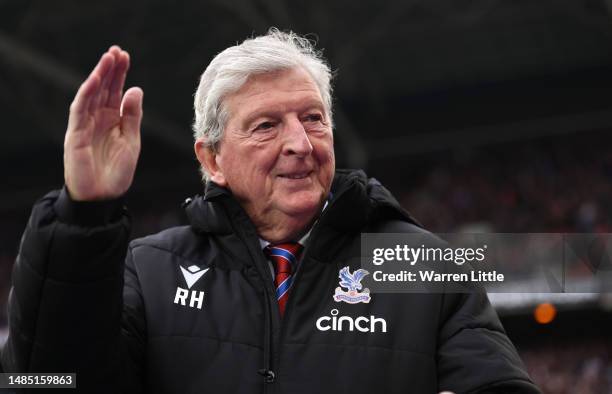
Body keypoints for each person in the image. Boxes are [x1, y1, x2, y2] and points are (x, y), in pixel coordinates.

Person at [1, 29, 540, 393]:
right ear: (212, 159)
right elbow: (47, 381)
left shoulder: (422, 266)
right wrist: (83, 216)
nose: (300, 143)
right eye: (266, 126)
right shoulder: (148, 270)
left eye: (312, 118)